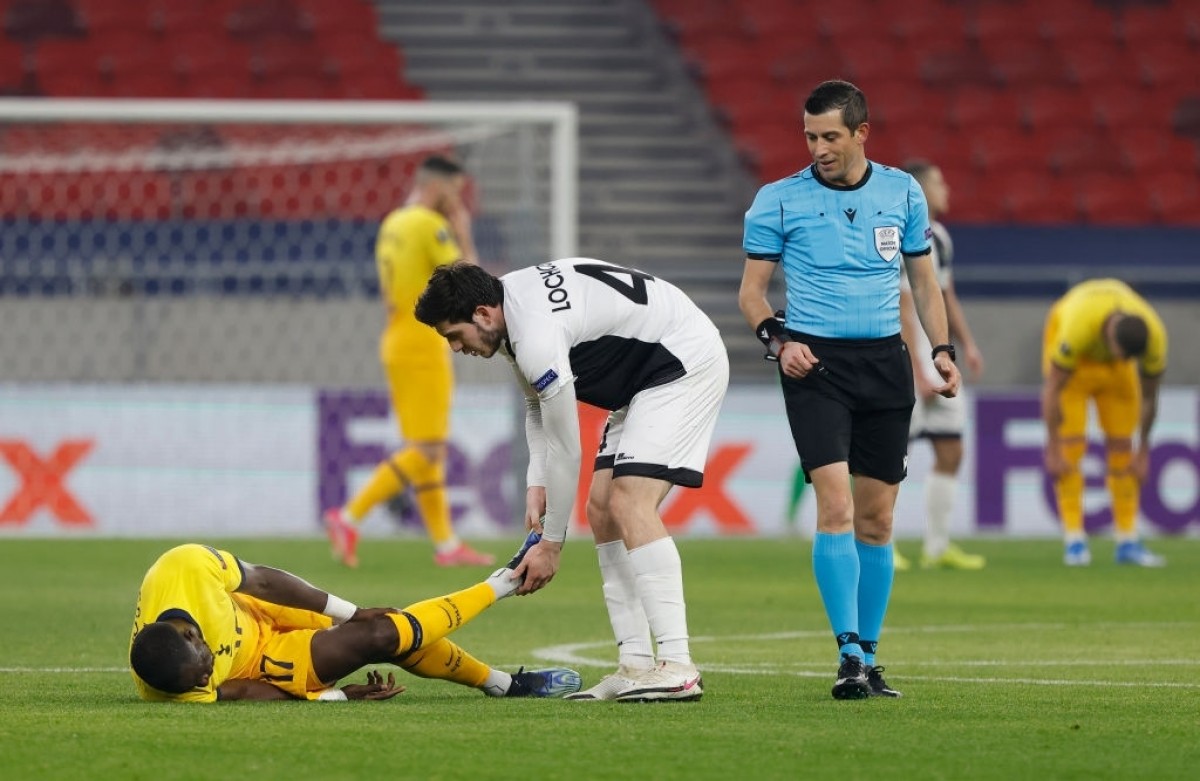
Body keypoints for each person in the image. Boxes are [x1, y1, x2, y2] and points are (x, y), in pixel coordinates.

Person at [415, 258, 729, 702]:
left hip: (683, 362)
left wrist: (551, 545)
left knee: (630, 502)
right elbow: (536, 405)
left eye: (453, 335)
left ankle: (678, 666)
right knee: (602, 510)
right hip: (645, 376)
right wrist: (536, 481)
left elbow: (567, 449)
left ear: (482, 314)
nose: (453, 347)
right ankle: (636, 665)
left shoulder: (534, 334)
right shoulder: (507, 306)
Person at [738, 80, 961, 700]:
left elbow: (925, 282)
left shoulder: (903, 191)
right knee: (835, 506)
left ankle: (870, 654)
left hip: (886, 364)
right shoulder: (778, 199)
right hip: (815, 367)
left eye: (831, 136)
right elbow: (752, 293)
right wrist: (779, 341)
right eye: (810, 137)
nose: (819, 149)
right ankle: (847, 655)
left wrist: (941, 350)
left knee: (878, 519)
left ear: (862, 133)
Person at [128, 538, 581, 702]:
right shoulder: (170, 685)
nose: (205, 677)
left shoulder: (185, 567)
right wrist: (333, 696)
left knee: (372, 622)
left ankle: (500, 666)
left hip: (259, 608)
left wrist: (348, 612)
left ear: (192, 633)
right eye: (200, 680)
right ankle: (504, 593)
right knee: (381, 635)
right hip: (266, 661)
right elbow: (237, 690)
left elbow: (263, 581)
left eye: (203, 665)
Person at [325, 154, 495, 569]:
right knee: (426, 449)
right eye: (455, 192)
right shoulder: (429, 224)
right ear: (438, 187)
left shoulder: (393, 222)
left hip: (396, 338)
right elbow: (472, 283)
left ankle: (446, 545)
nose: (458, 201)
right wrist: (463, 231)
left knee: (426, 449)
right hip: (423, 344)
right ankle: (349, 517)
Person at [895, 159, 986, 571]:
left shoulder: (941, 239)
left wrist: (967, 344)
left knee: (951, 449)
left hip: (939, 358)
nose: (946, 189)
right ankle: (882, 543)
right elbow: (904, 304)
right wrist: (915, 367)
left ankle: (937, 547)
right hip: (909, 361)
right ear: (920, 189)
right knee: (890, 456)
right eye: (939, 183)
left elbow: (944, 296)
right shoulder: (899, 234)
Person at [1041, 278, 1168, 567]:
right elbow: (1053, 388)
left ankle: (1127, 541)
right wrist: (1052, 445)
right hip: (1075, 366)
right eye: (1120, 355)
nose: (1122, 359)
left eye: (1128, 359)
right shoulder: (1077, 326)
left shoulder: (1154, 337)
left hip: (1114, 375)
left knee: (1124, 450)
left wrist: (1143, 450)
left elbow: (1150, 397)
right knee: (1070, 449)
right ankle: (1074, 541)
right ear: (1110, 339)